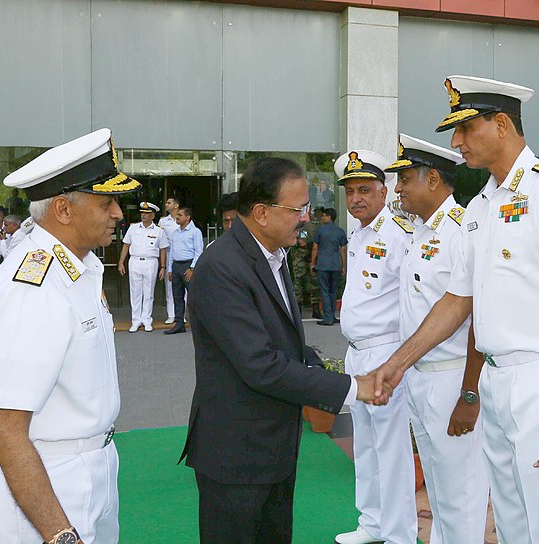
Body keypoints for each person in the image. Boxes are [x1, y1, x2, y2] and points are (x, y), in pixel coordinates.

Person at [372, 75, 539, 544]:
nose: (456, 143)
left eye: (466, 129)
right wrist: (396, 364)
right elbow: (458, 301)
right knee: (515, 523)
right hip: (497, 381)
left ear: (501, 125)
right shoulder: (480, 207)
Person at [178, 157, 384, 543]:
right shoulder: (222, 266)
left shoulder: (273, 254)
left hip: (271, 447)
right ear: (261, 212)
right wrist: (354, 389)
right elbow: (261, 365)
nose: (305, 218)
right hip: (236, 454)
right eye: (297, 209)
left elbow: (288, 343)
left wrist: (332, 374)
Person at [0, 128, 140, 544]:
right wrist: (60, 535)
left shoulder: (77, 271)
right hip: (44, 485)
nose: (119, 213)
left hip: (90, 466)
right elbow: (6, 432)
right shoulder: (33, 287)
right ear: (64, 209)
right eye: (107, 203)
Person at [386, 134, 490, 543]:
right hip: (420, 378)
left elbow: (479, 316)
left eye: (405, 179)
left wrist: (470, 393)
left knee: (461, 493)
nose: (398, 189)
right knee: (439, 489)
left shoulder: (461, 230)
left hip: (452, 379)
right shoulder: (418, 231)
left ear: (432, 180)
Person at [334, 150, 417, 544]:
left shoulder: (400, 232)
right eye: (350, 191)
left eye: (364, 189)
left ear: (384, 192)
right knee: (364, 445)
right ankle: (371, 524)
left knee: (392, 451)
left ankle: (400, 535)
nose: (356, 199)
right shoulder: (360, 233)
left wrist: (403, 357)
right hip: (357, 353)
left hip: (386, 352)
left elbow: (413, 298)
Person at [118, 202, 169, 332]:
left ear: (152, 215)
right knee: (135, 292)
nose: (143, 216)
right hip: (134, 261)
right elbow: (126, 245)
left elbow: (162, 250)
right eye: (142, 213)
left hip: (151, 262)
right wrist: (121, 262)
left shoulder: (159, 231)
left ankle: (146, 319)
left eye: (146, 214)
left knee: (148, 292)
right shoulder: (133, 228)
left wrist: (162, 267)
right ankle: (135, 320)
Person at [164, 206, 203, 335]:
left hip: (188, 265)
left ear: (187, 217)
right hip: (176, 266)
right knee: (177, 296)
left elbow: (199, 252)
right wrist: (170, 269)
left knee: (193, 296)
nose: (177, 217)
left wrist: (192, 268)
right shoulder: (175, 233)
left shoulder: (195, 232)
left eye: (180, 215)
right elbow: (172, 252)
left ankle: (199, 324)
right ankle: (179, 323)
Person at [311, 207, 347, 326]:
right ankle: (332, 315)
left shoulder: (320, 230)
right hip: (336, 264)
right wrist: (343, 266)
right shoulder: (340, 231)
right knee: (333, 291)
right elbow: (343, 250)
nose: (322, 217)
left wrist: (313, 262)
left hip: (323, 264)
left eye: (324, 216)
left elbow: (315, 248)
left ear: (329, 217)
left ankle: (328, 318)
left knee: (324, 291)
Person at [158, 196, 181, 324]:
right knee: (170, 285)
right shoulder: (163, 221)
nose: (166, 204)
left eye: (169, 203)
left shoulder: (183, 217)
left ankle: (180, 314)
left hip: (181, 255)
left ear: (176, 205)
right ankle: (171, 314)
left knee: (181, 285)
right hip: (168, 255)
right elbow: (160, 241)